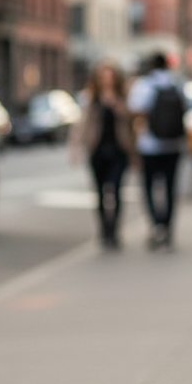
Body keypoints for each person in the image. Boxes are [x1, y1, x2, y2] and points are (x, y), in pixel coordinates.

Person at [71, 61, 134, 249]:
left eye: (110, 76)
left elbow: (133, 122)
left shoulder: (123, 97)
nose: (107, 80)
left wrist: (121, 110)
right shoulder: (91, 97)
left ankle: (114, 231)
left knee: (115, 190)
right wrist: (75, 147)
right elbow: (81, 123)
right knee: (99, 193)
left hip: (119, 150)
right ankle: (104, 231)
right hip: (97, 150)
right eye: (103, 76)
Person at [127, 52, 185, 249]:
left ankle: (156, 225)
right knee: (170, 188)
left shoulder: (144, 85)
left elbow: (134, 110)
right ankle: (168, 227)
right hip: (174, 144)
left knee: (149, 188)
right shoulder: (176, 82)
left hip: (149, 145)